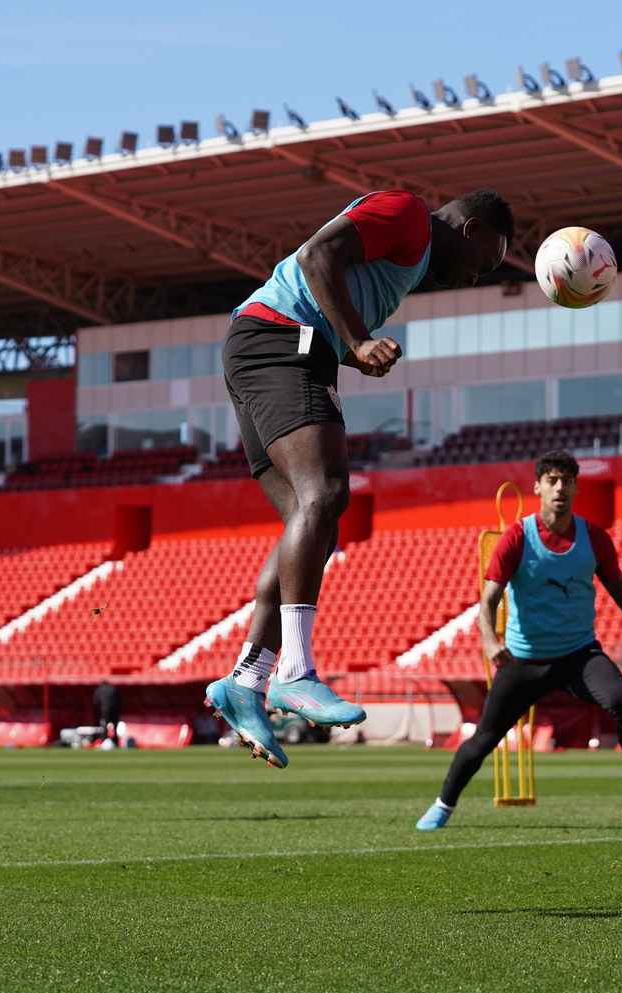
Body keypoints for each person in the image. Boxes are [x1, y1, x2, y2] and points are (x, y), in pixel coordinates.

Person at [204, 187, 515, 768]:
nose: (479, 276)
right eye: (489, 261)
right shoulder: (408, 214)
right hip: (281, 341)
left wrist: (353, 348)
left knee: (316, 524)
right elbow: (316, 258)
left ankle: (246, 680)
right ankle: (295, 672)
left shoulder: (413, 258)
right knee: (325, 496)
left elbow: (327, 293)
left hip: (275, 344)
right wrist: (358, 340)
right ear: (471, 230)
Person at [416, 450, 622, 829]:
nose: (560, 487)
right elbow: (487, 603)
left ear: (576, 487)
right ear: (538, 487)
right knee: (485, 738)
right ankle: (443, 805)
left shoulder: (595, 538)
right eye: (552, 480)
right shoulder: (516, 538)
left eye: (567, 481)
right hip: (524, 659)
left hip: (579, 655)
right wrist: (492, 643)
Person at [94, 679, 122, 750]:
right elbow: (120, 700)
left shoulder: (99, 690)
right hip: (115, 709)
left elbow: (96, 702)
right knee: (115, 726)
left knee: (104, 726)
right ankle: (115, 742)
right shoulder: (113, 689)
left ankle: (105, 741)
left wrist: (99, 710)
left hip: (105, 709)